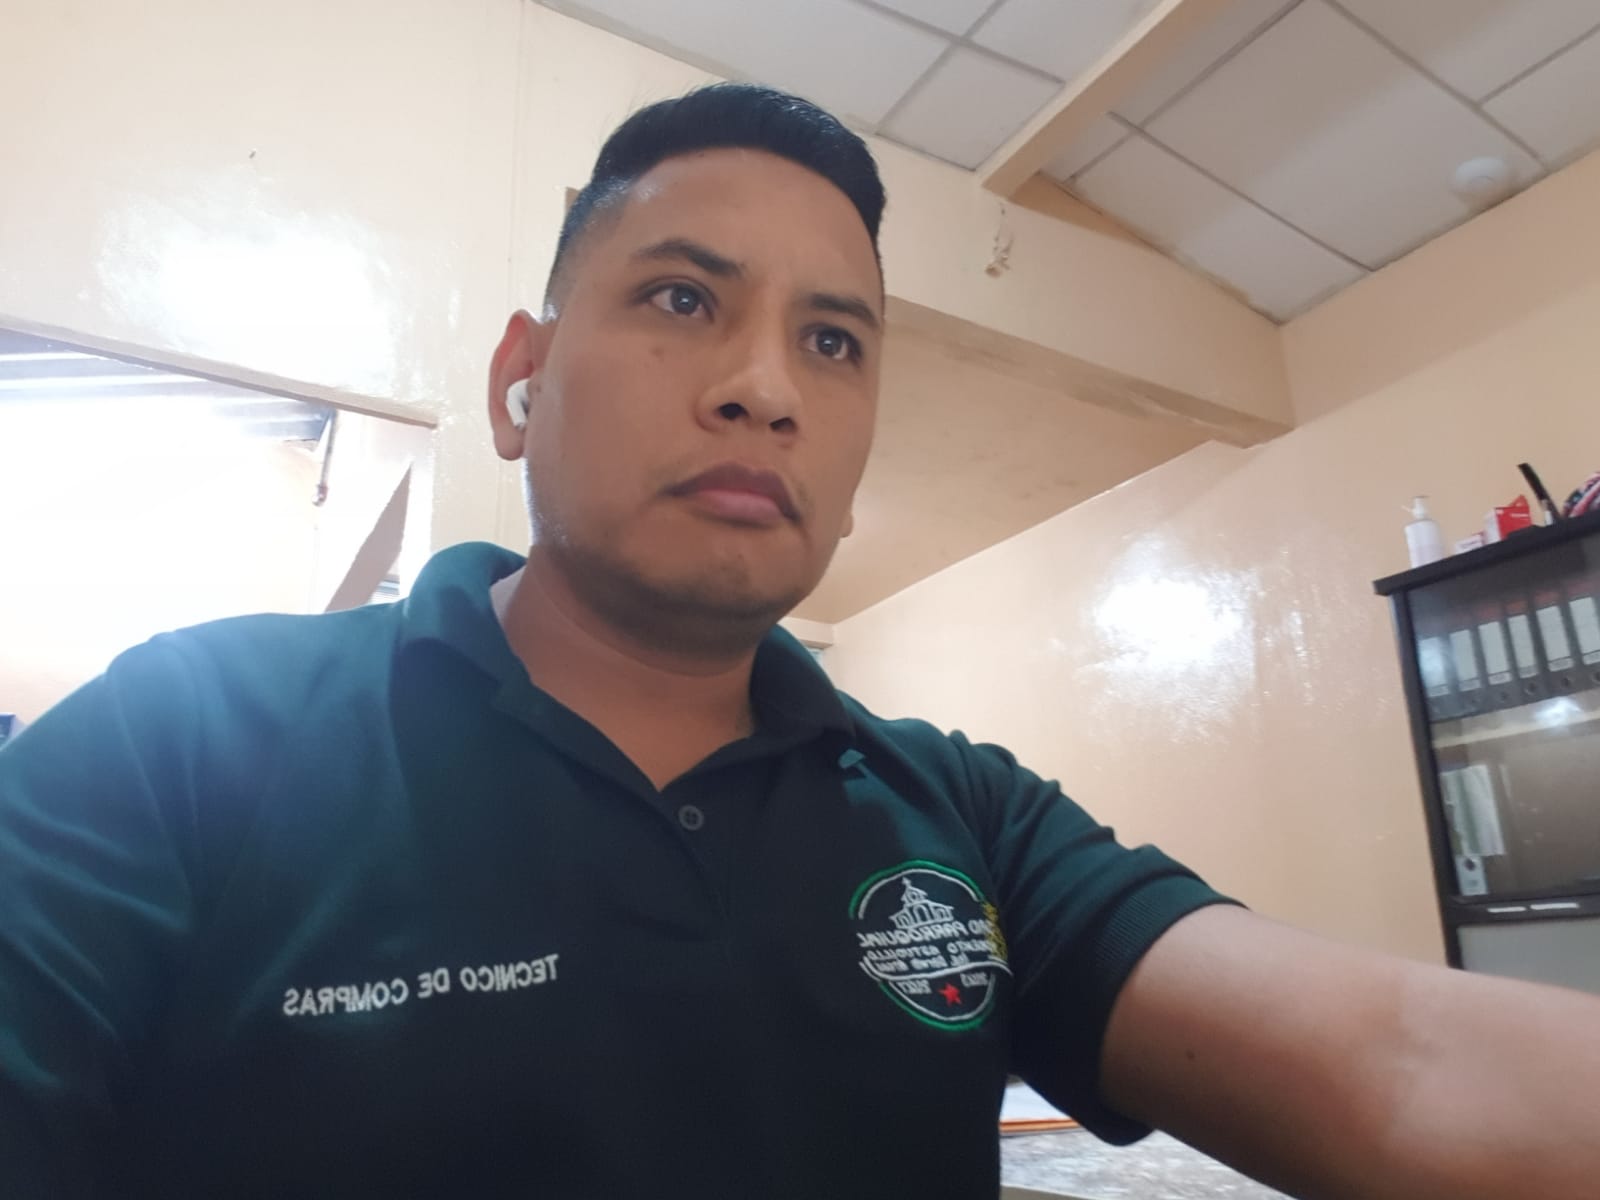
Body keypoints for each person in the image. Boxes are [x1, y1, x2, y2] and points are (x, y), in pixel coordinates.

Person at [1, 82, 1596, 1200]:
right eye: (682, 301)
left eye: (832, 341)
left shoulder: (961, 817)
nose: (766, 387)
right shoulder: (180, 740)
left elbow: (1408, 1067)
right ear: (520, 380)